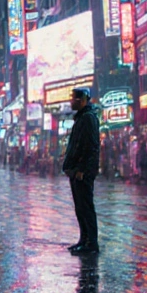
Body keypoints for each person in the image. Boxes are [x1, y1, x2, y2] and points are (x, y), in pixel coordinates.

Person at [62, 88, 101, 254]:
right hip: (75, 170)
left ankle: (91, 243)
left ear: (82, 100)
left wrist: (82, 169)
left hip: (82, 172)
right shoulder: (81, 118)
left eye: (74, 99)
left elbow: (91, 147)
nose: (71, 102)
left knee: (86, 207)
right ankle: (84, 240)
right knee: (80, 208)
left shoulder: (88, 118)